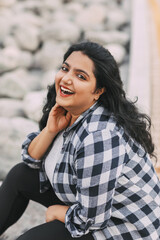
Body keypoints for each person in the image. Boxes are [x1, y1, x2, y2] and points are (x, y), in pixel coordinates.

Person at [0, 41, 160, 240]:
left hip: (123, 228)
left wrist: (58, 211)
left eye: (80, 76)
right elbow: (30, 159)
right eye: (65, 69)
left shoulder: (99, 136)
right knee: (20, 175)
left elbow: (90, 219)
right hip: (92, 206)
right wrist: (50, 130)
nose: (66, 79)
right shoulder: (70, 111)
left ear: (98, 91)